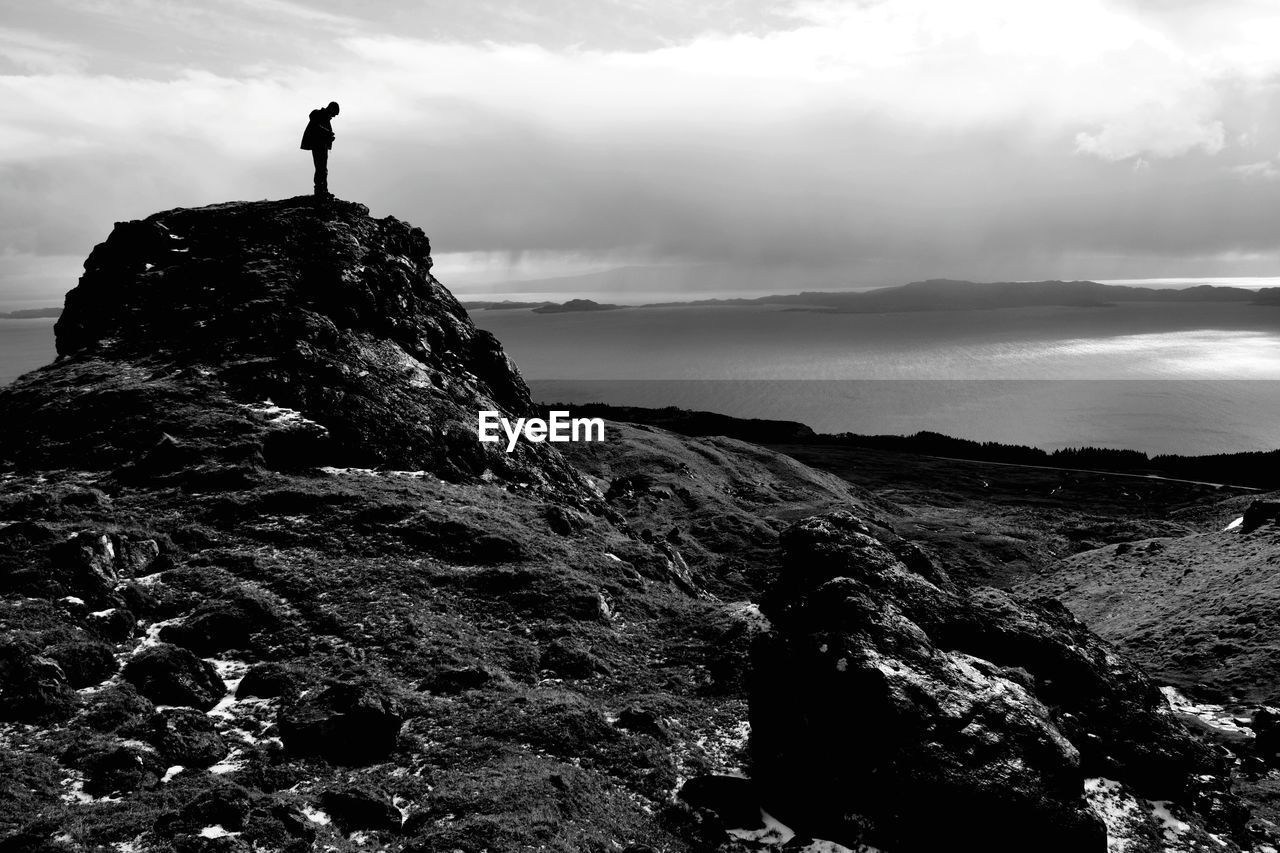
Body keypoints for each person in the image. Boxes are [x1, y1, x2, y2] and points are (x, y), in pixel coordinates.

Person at [300, 101, 340, 197]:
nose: (334, 116)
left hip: (322, 146)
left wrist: (330, 138)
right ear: (331, 109)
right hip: (317, 145)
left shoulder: (325, 119)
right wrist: (328, 134)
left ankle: (323, 190)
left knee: (322, 169)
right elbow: (316, 126)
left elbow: (321, 130)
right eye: (334, 113)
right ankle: (319, 190)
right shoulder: (317, 114)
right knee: (320, 168)